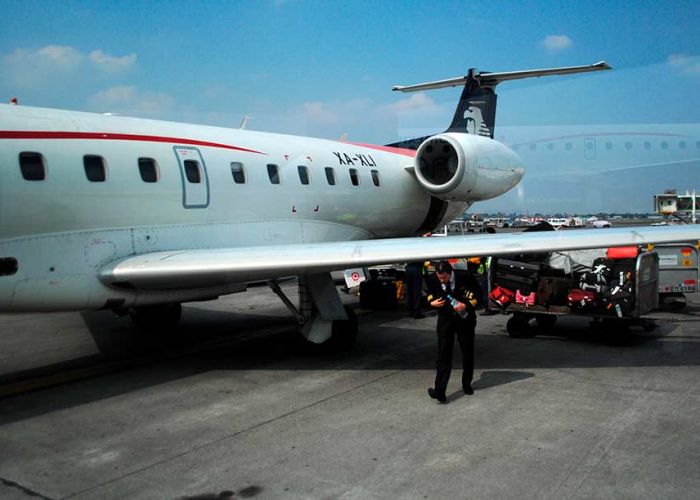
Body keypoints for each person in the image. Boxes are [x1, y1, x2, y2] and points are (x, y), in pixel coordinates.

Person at [425, 260, 482, 403]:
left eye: (444, 277)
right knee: (443, 355)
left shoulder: (465, 276)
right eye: (440, 278)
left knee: (467, 352)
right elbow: (428, 294)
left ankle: (466, 384)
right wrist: (430, 303)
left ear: (450, 273)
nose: (442, 280)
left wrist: (466, 305)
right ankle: (440, 391)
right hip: (446, 321)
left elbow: (479, 294)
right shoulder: (433, 278)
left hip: (465, 320)